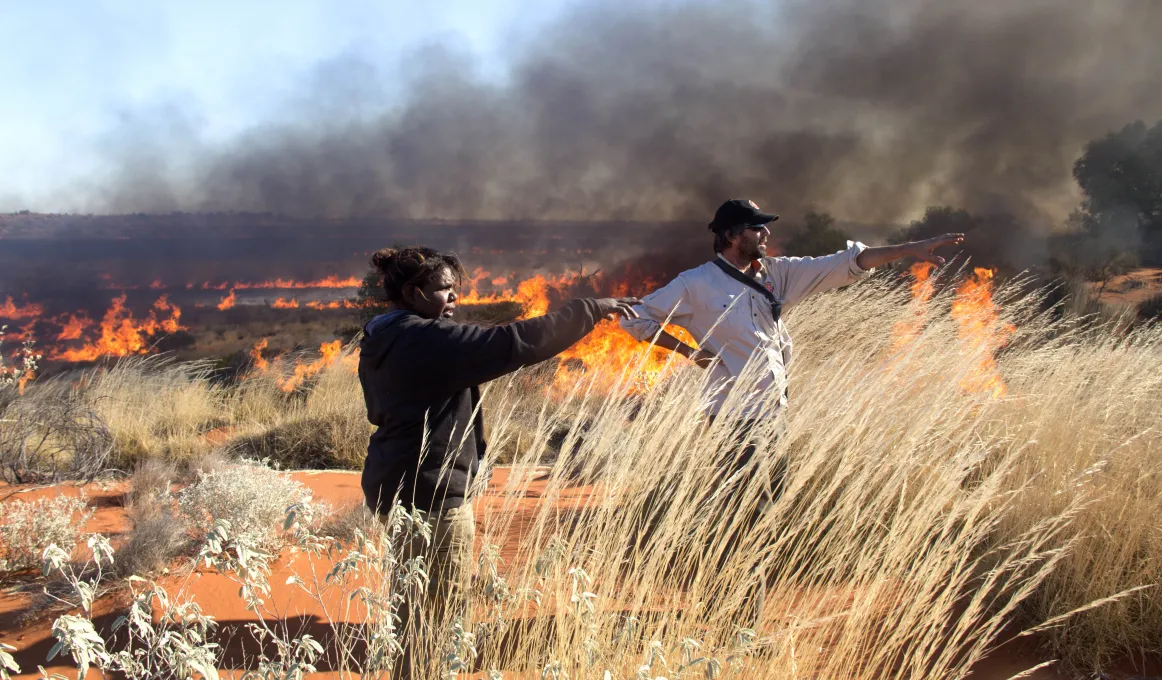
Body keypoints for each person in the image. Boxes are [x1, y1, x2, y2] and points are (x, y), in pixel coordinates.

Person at [357, 246, 638, 676]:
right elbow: (513, 343)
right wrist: (589, 310)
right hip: (432, 494)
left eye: (456, 290)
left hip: (395, 481)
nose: (454, 299)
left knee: (411, 601)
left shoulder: (384, 336)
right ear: (413, 293)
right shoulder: (423, 340)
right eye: (445, 290)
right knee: (439, 613)